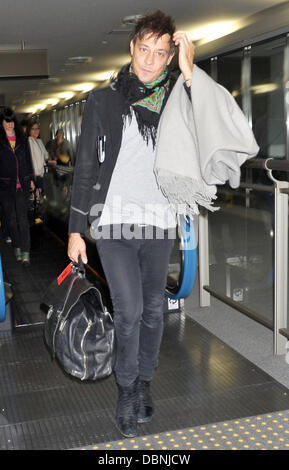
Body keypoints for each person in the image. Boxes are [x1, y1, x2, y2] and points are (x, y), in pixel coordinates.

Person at [67, 10, 194, 438]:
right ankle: (125, 388)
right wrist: (74, 230)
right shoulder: (104, 101)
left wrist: (191, 73)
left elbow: (208, 126)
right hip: (115, 222)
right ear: (132, 47)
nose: (150, 60)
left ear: (169, 57)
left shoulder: (179, 99)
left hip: (158, 222)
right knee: (131, 310)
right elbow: (85, 169)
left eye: (161, 53)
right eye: (145, 50)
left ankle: (143, 382)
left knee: (155, 310)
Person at [0, 108, 35, 266]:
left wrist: (31, 179)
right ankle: (17, 246)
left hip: (22, 185)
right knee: (11, 220)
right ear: (2, 123)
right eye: (6, 121)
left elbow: (28, 161)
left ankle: (26, 252)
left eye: (11, 120)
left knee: (22, 219)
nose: (9, 124)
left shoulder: (22, 140)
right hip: (5, 186)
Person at [27, 120, 49, 200]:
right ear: (29, 130)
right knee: (36, 195)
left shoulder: (39, 141)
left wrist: (48, 159)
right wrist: (33, 174)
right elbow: (31, 158)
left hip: (41, 172)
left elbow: (46, 154)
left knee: (40, 193)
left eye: (37, 128)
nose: (36, 131)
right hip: (35, 173)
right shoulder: (29, 141)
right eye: (33, 129)